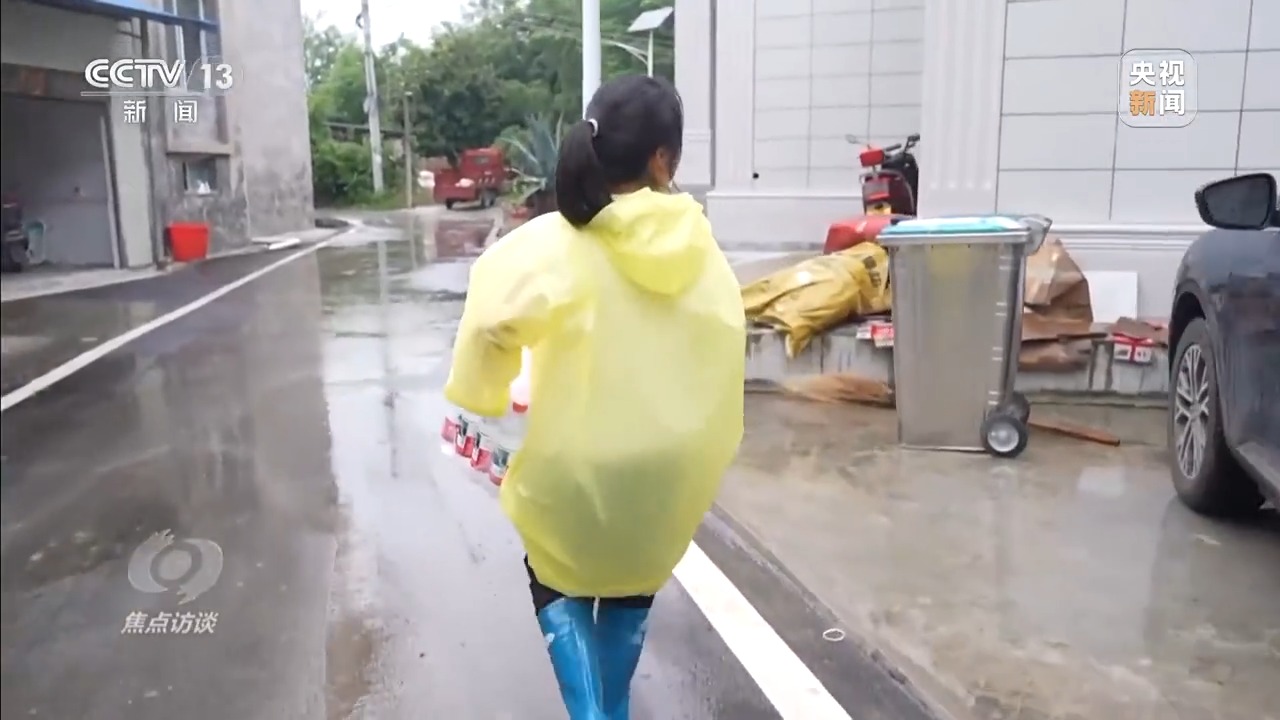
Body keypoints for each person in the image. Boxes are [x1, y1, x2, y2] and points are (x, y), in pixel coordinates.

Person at [443, 74, 745, 719]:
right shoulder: (703, 248)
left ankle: (595, 715)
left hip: (573, 467)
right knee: (633, 584)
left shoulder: (547, 243)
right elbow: (726, 339)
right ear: (663, 159)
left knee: (557, 575)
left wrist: (483, 396)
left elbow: (490, 326)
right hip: (666, 472)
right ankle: (612, 709)